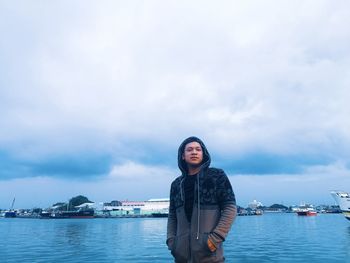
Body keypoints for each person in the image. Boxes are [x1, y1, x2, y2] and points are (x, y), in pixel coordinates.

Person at [167, 136, 237, 263]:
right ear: (182, 156)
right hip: (181, 257)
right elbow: (172, 216)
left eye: (198, 149)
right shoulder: (176, 184)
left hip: (210, 256)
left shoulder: (217, 176)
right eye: (189, 150)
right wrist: (172, 242)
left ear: (203, 154)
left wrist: (215, 238)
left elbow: (230, 208)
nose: (194, 152)